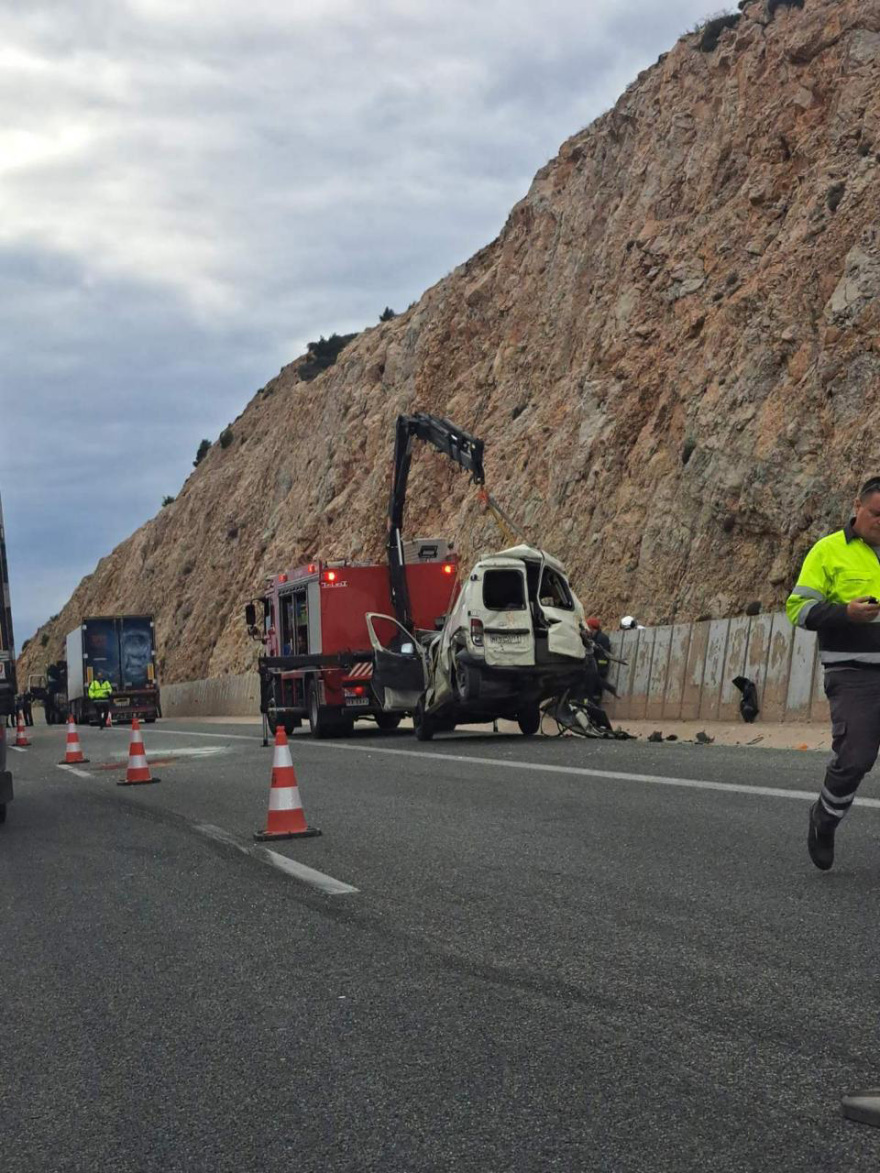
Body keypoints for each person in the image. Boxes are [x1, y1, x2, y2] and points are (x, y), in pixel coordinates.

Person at [786, 476, 880, 870]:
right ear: (858, 505)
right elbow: (798, 609)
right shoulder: (827, 551)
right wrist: (846, 613)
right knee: (856, 757)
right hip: (853, 674)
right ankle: (824, 819)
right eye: (877, 513)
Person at [586, 617, 612, 683]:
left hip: (599, 672)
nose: (586, 631)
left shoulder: (602, 639)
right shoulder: (591, 638)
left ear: (592, 628)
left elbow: (603, 659)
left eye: (587, 628)